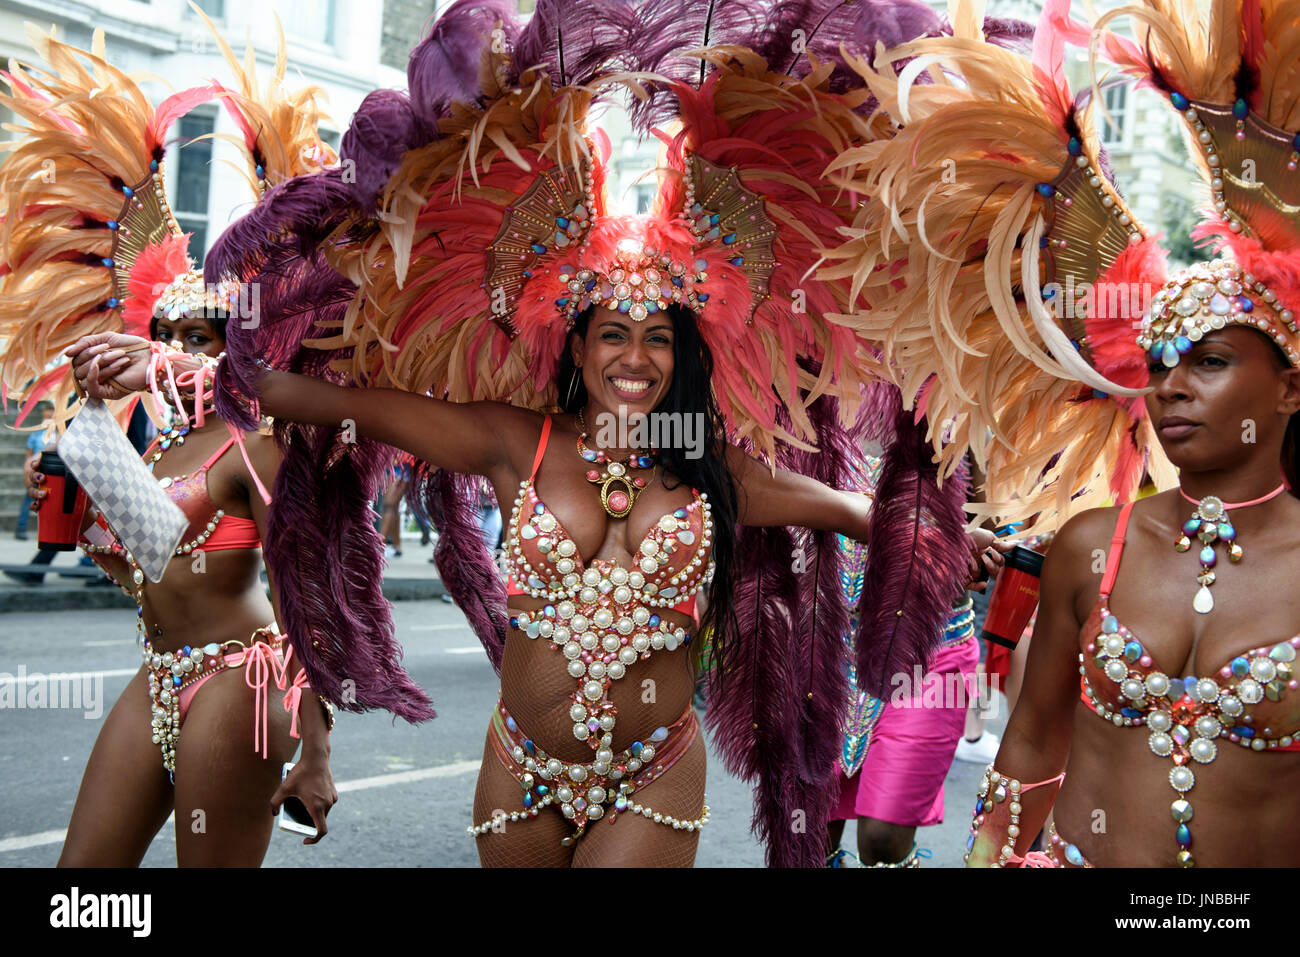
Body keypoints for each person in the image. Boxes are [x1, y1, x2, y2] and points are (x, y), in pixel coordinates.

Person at [70, 0, 1003, 868]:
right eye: (612, 334)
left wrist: (944, 540)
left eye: (655, 338)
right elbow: (306, 395)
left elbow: (852, 510)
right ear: (578, 347)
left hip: (653, 771)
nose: (633, 357)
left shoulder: (710, 471)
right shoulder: (513, 442)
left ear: (681, 355)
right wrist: (163, 364)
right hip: (519, 765)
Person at [829, 0, 1300, 866]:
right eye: (1158, 364)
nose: (1172, 388)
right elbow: (1033, 747)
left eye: (1209, 361)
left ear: (1289, 389)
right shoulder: (1095, 547)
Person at [1, 24, 344, 865]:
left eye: (207, 331)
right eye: (168, 326)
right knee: (81, 884)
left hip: (240, 683)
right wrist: (94, 430)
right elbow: (141, 561)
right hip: (157, 670)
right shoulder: (164, 447)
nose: (184, 342)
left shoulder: (260, 442)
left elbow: (312, 601)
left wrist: (318, 751)